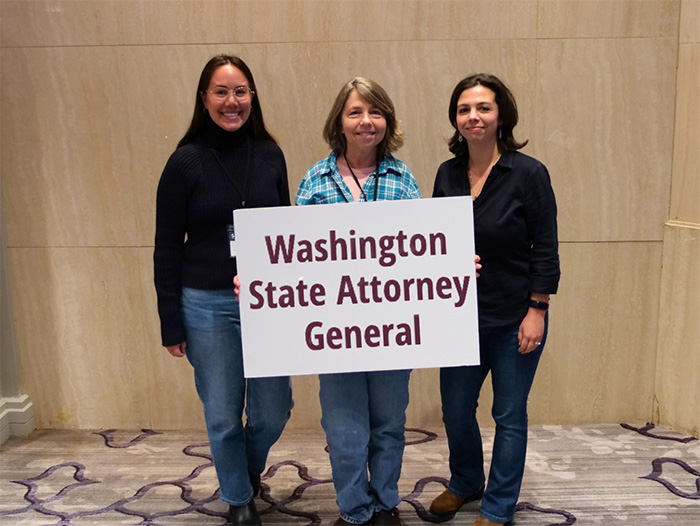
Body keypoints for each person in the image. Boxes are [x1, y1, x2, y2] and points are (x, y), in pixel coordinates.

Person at [153, 54, 293, 526]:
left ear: (252, 96)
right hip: (207, 305)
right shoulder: (184, 162)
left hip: (267, 303)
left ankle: (244, 472)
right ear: (204, 99)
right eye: (221, 92)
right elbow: (166, 248)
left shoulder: (271, 154)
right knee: (222, 412)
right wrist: (170, 321)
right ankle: (238, 498)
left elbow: (288, 237)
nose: (232, 102)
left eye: (240, 92)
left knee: (275, 409)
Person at [429, 74, 560, 526]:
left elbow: (545, 245)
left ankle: (499, 506)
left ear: (500, 113)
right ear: (456, 118)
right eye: (465, 109)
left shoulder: (528, 173)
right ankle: (466, 482)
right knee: (455, 410)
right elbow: (431, 244)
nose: (473, 117)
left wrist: (537, 310)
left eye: (483, 107)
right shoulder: (447, 174)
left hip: (514, 319)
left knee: (508, 414)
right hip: (458, 319)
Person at [296, 78, 421, 526]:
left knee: (388, 424)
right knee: (346, 431)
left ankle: (386, 503)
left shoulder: (403, 178)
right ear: (340, 122)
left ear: (387, 120)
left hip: (392, 327)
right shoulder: (315, 178)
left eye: (375, 112)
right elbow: (293, 256)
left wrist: (455, 263)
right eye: (355, 112)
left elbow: (422, 252)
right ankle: (354, 509)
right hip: (335, 331)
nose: (366, 121)